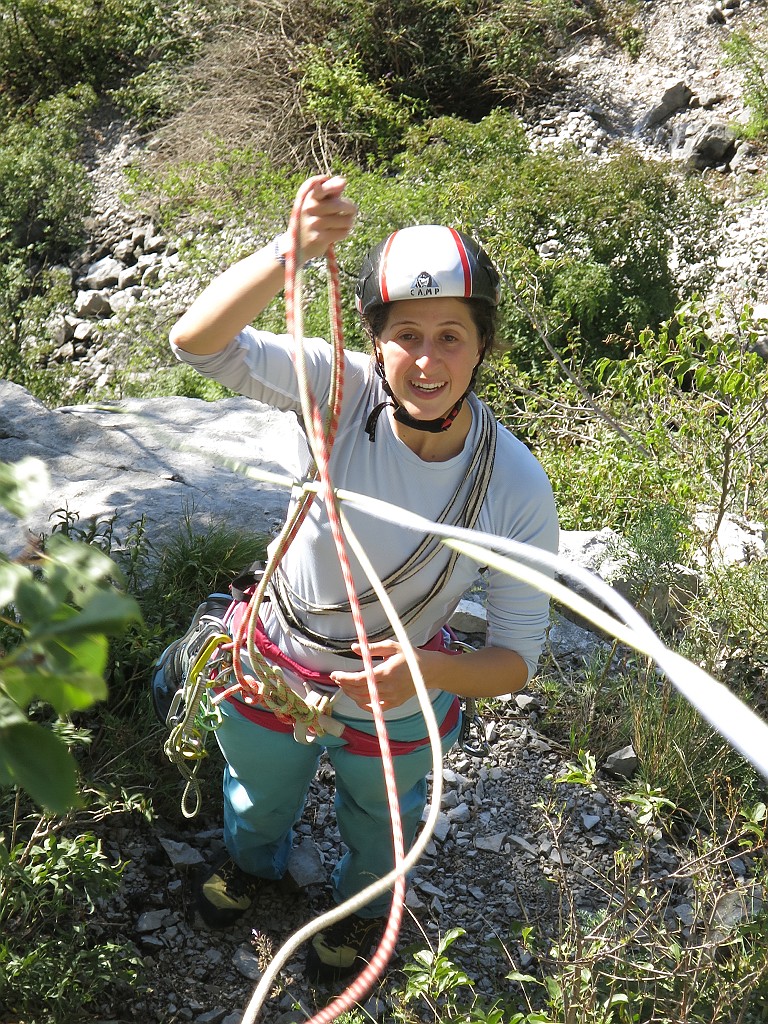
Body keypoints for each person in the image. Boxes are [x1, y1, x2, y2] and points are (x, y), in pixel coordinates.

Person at [166, 174, 559, 983]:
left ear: (483, 346)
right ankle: (252, 867)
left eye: (451, 336)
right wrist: (293, 252)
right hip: (279, 663)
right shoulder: (337, 388)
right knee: (256, 794)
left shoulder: (515, 485)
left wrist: (429, 670)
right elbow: (199, 343)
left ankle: (368, 907)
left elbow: (518, 655)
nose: (426, 359)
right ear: (375, 341)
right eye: (405, 334)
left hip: (408, 680)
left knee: (384, 820)